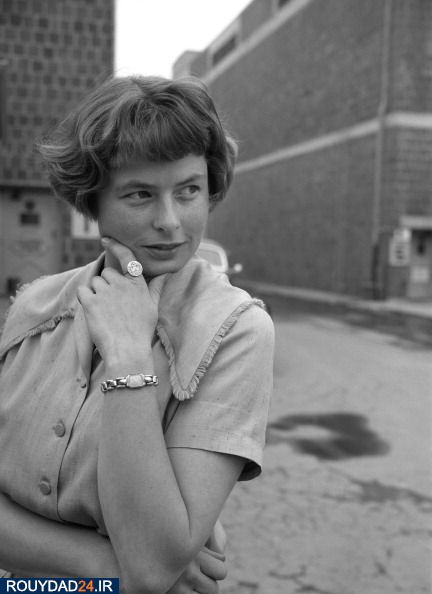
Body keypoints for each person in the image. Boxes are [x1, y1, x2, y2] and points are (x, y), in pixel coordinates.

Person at [0, 76, 274, 593]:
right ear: (93, 201)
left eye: (188, 190)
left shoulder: (236, 330)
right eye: (140, 194)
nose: (170, 221)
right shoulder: (35, 307)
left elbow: (149, 567)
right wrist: (101, 563)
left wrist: (128, 356)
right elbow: (149, 569)